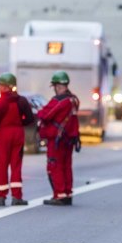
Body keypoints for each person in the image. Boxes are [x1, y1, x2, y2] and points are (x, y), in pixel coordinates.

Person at [0, 72, 35, 206]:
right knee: (16, 165)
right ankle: (17, 197)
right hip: (17, 134)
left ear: (7, 87)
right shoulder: (22, 100)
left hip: (3, 135)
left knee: (1, 165)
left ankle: (1, 197)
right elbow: (30, 119)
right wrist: (19, 124)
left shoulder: (0, 102)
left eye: (1, 85)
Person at [37, 70, 80, 206]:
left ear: (57, 86)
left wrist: (39, 111)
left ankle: (59, 195)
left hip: (57, 140)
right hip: (69, 139)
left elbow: (45, 115)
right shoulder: (73, 99)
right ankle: (67, 194)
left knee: (55, 166)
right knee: (67, 166)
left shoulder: (59, 101)